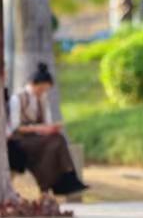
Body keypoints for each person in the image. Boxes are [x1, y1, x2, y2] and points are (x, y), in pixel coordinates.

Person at [8, 63, 88, 196]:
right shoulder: (17, 98)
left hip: (38, 138)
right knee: (55, 143)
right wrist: (38, 128)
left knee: (57, 140)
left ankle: (61, 180)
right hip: (21, 139)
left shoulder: (42, 99)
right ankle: (65, 179)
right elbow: (15, 127)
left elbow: (47, 121)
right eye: (42, 89)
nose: (43, 92)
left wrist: (50, 128)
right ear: (34, 84)